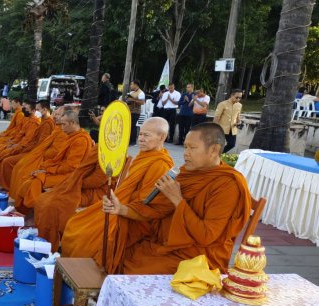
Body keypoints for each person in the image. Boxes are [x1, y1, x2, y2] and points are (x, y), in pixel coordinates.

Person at [120, 123, 251, 274]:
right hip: (170, 243)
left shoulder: (227, 184)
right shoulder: (186, 174)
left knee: (136, 269)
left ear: (214, 150)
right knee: (121, 245)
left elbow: (206, 236)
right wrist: (124, 209)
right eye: (185, 147)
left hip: (200, 256)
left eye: (192, 148)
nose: (185, 154)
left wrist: (177, 199)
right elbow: (160, 209)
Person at [60, 117, 175, 274]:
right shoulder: (142, 157)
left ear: (162, 137)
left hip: (133, 217)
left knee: (84, 236)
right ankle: (72, 272)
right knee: (76, 223)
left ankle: (84, 276)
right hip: (118, 206)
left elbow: (146, 204)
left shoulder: (160, 164)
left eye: (146, 135)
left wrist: (121, 207)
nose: (141, 139)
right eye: (140, 134)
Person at [12, 109, 94, 212]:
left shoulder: (80, 140)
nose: (61, 127)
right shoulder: (73, 136)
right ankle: (31, 211)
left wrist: (48, 170)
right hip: (62, 170)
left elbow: (72, 167)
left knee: (33, 182)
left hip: (71, 176)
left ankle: (34, 212)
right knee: (30, 176)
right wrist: (47, 167)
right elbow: (60, 159)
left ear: (72, 123)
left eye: (64, 124)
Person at [33, 142, 110, 251]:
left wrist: (74, 182)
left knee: (53, 205)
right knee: (43, 199)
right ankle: (43, 238)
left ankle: (49, 244)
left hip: (96, 193)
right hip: (80, 185)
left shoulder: (110, 152)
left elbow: (98, 180)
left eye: (144, 135)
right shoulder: (99, 146)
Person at [0, 102, 55, 189]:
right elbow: (22, 133)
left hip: (35, 153)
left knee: (8, 161)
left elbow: (40, 145)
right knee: (4, 151)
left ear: (45, 110)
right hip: (29, 148)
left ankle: (7, 186)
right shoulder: (43, 121)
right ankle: (3, 181)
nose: (36, 112)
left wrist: (23, 148)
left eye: (38, 110)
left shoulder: (47, 124)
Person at [213, 89, 242, 153]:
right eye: (237, 97)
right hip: (222, 128)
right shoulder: (222, 104)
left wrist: (239, 122)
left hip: (232, 129)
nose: (238, 99)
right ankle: (214, 157)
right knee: (218, 145)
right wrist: (215, 129)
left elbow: (238, 116)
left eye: (240, 98)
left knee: (232, 144)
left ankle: (220, 154)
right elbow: (217, 117)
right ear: (232, 95)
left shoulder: (239, 105)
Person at [125, 79, 145, 146]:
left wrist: (133, 100)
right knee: (128, 126)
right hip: (129, 111)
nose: (130, 85)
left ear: (136, 85)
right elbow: (129, 101)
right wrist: (127, 99)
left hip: (136, 112)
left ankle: (133, 142)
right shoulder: (131, 93)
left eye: (131, 84)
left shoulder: (141, 93)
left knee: (133, 126)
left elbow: (142, 102)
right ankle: (128, 140)